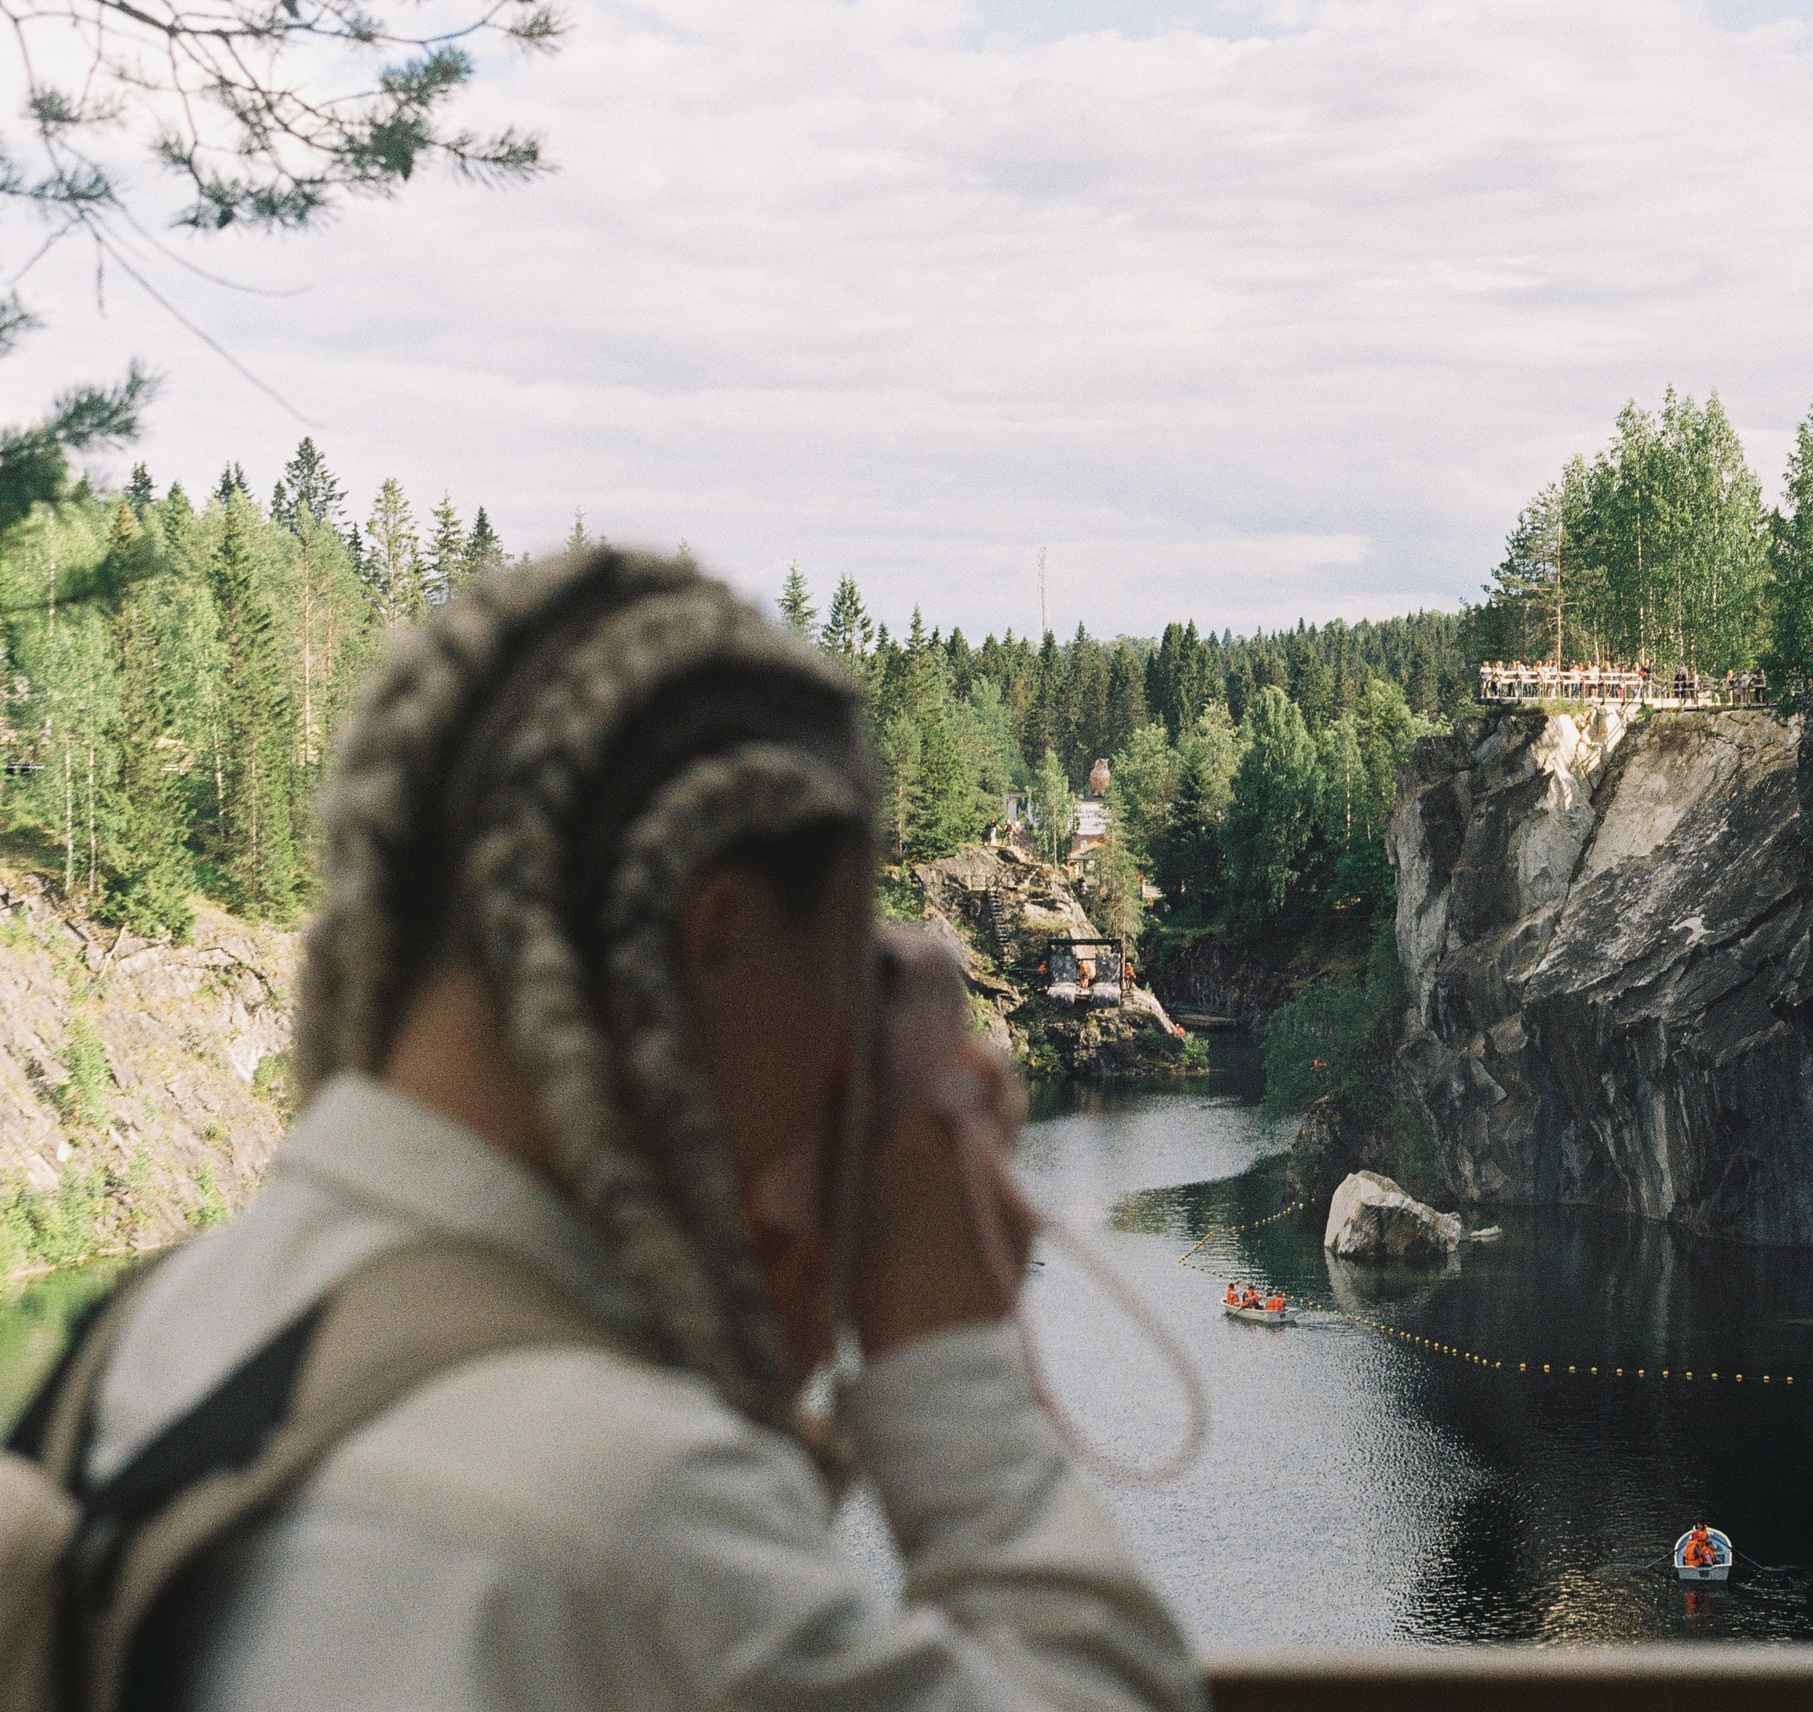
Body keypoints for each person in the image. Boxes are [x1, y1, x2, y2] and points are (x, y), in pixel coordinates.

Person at [19, 551, 1200, 1711]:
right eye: (847, 961)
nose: (848, 1038)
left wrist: (754, 1346)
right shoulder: (621, 1526)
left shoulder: (138, 1341)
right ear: (716, 937)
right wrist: (940, 1346)